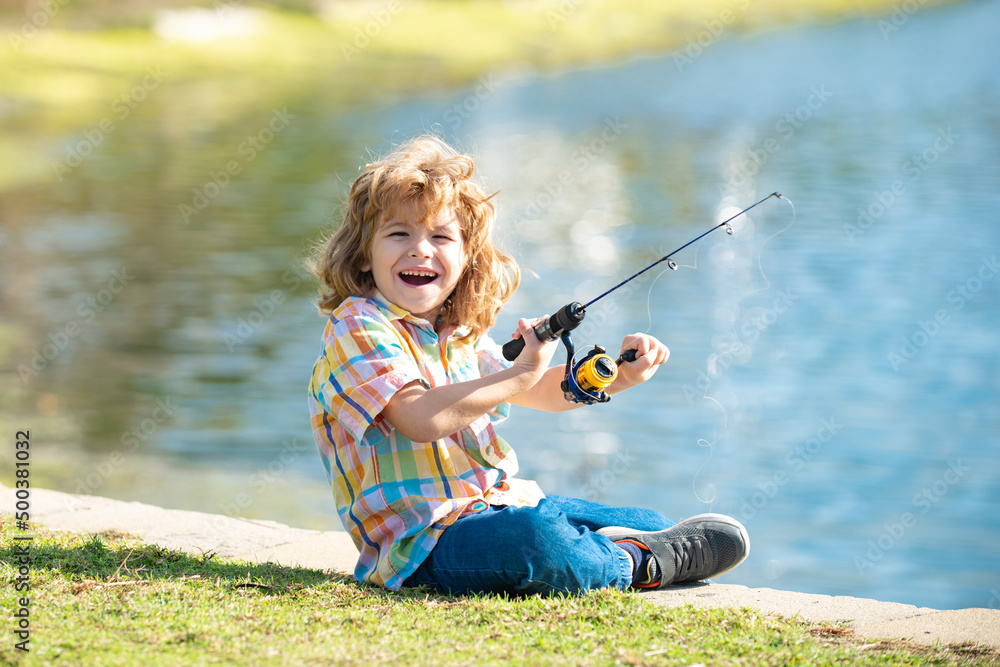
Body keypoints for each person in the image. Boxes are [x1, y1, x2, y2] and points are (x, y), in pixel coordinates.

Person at [307, 135, 749, 596]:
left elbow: (537, 390)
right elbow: (420, 417)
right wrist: (519, 371)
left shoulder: (457, 334)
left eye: (440, 236)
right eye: (399, 233)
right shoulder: (358, 325)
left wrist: (618, 375)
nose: (420, 249)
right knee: (535, 540)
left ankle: (623, 547)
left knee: (648, 521)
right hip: (424, 546)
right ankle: (632, 563)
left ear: (465, 260)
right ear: (364, 252)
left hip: (501, 504)